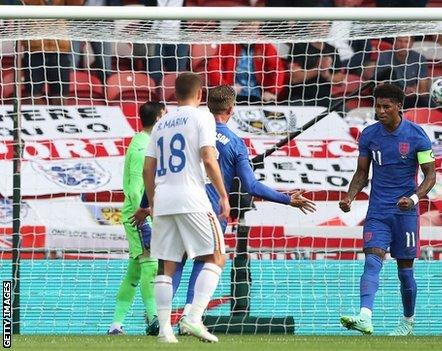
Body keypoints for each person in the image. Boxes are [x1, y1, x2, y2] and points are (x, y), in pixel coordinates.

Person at [133, 85, 316, 332]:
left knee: (173, 263)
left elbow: (156, 172)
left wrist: (145, 205)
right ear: (231, 109)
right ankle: (190, 317)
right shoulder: (235, 143)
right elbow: (251, 185)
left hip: (174, 204)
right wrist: (286, 199)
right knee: (206, 260)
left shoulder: (189, 132)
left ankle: (159, 321)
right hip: (207, 210)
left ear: (207, 106)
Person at [338, 83, 436, 336]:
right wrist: (349, 197)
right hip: (378, 211)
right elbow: (361, 173)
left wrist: (413, 199)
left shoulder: (417, 136)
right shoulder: (369, 135)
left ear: (399, 106)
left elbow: (430, 177)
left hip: (405, 214)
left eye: (386, 107)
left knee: (405, 273)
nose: (380, 111)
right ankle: (365, 317)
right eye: (377, 106)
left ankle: (407, 322)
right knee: (372, 261)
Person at [143, 72, 230, 343]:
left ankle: (165, 331)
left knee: (165, 267)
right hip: (192, 196)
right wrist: (223, 194)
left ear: (174, 94)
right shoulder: (202, 116)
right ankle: (193, 318)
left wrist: (153, 199)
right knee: (216, 256)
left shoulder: (161, 122)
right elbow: (207, 156)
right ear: (200, 93)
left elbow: (148, 168)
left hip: (164, 198)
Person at [108, 102, 165, 336]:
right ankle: (154, 319)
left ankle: (115, 325)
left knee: (135, 271)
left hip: (143, 214)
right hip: (139, 217)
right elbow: (134, 188)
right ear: (159, 118)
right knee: (151, 267)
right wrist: (147, 212)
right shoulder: (141, 146)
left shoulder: (146, 143)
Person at [206, 22, 286, 104]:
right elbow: (213, 66)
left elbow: (277, 68)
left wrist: (272, 91)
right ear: (238, 27)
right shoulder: (228, 44)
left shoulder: (265, 45)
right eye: (247, 24)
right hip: (233, 95)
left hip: (259, 97)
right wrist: (226, 87)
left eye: (254, 25)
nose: (251, 28)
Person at [375, 36, 431, 109]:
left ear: (411, 44)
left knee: (427, 102)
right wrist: (401, 91)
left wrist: (414, 91)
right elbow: (379, 86)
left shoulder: (420, 59)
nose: (403, 45)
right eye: (400, 41)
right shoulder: (384, 57)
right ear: (394, 42)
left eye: (406, 42)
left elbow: (423, 90)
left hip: (412, 99)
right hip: (391, 97)